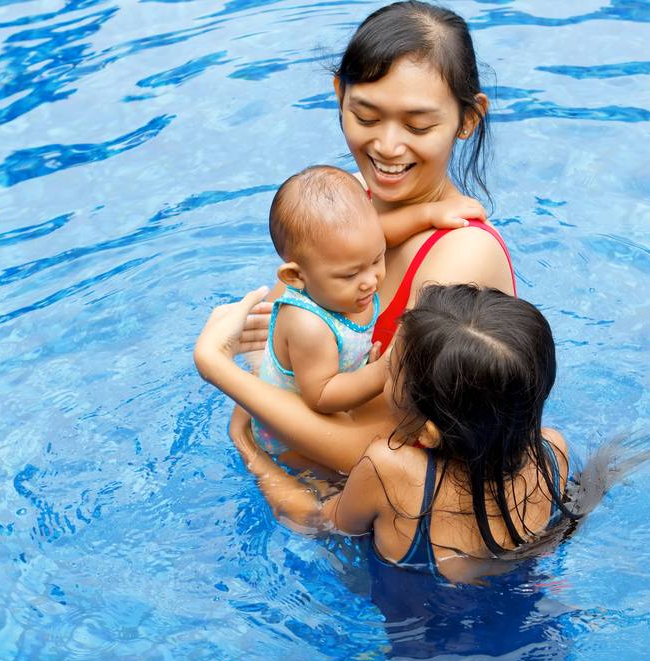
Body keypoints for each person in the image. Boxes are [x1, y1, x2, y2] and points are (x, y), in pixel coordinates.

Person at [229, 1, 516, 475]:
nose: (386, 146)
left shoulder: (462, 254)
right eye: (365, 117)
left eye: (418, 125)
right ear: (339, 94)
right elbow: (278, 352)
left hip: (402, 516)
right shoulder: (342, 211)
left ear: (468, 120)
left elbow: (384, 448)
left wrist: (228, 383)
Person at [195, 284, 576, 584]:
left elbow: (315, 522)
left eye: (389, 369)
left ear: (427, 434)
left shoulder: (389, 469)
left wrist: (248, 447)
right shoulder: (552, 450)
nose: (377, 371)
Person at [249, 166, 387, 464]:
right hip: (287, 435)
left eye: (378, 258)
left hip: (329, 394)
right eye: (349, 275)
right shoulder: (307, 324)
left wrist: (427, 215)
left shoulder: (347, 280)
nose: (370, 280)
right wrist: (380, 372)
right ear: (295, 276)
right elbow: (321, 396)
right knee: (336, 484)